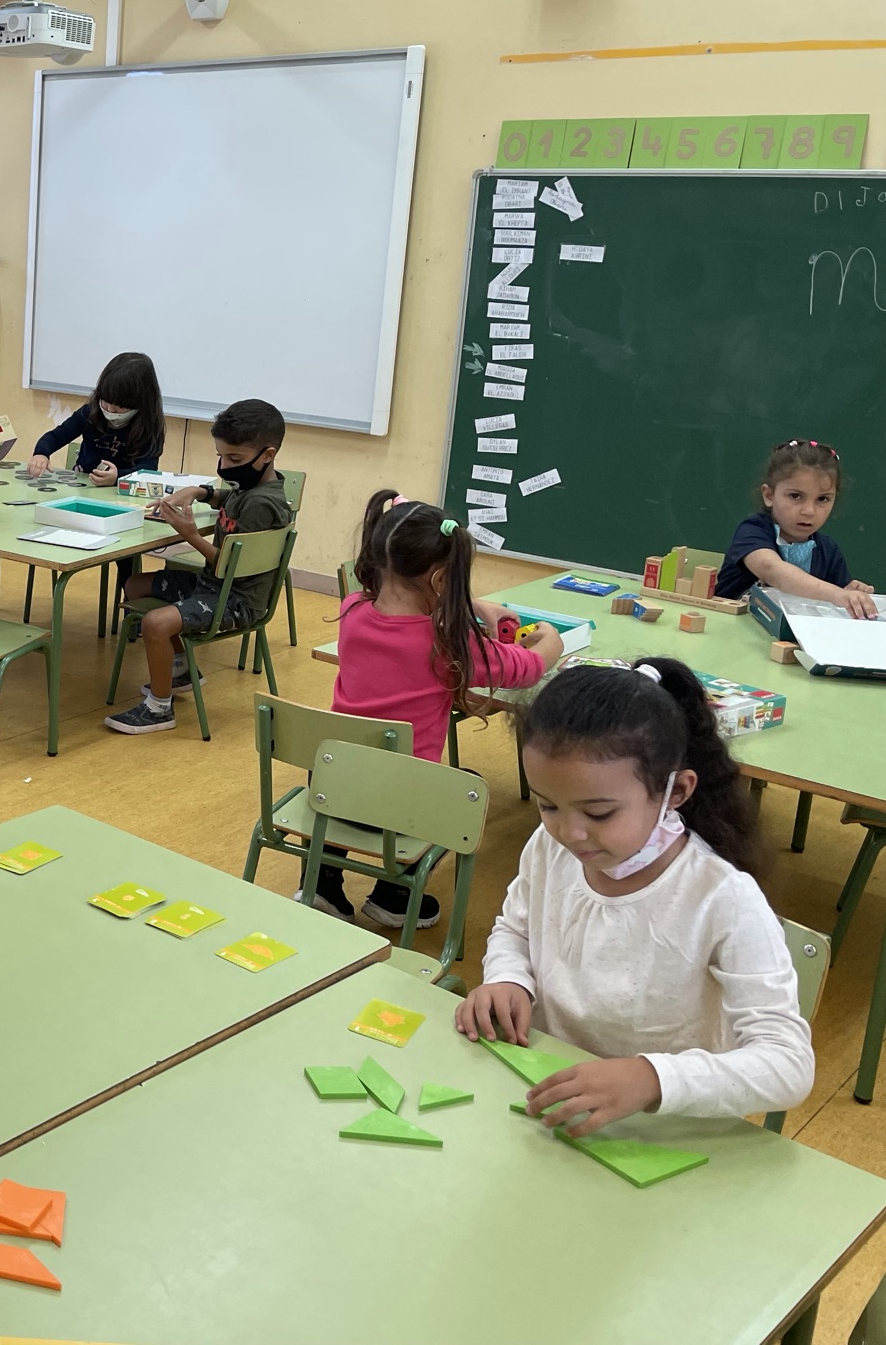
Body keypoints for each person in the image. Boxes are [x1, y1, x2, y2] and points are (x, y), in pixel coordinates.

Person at [456, 657, 813, 1133]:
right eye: (547, 805)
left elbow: (788, 1064)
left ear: (675, 792)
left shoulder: (723, 899)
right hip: (551, 1101)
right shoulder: (549, 846)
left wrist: (651, 1079)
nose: (570, 832)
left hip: (665, 1127)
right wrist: (507, 978)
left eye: (599, 813)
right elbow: (515, 926)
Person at [323, 491, 563, 926]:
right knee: (470, 786)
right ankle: (395, 896)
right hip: (401, 801)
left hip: (333, 782)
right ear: (440, 580)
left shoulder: (352, 611)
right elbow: (527, 669)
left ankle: (322, 885)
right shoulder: (448, 644)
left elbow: (401, 626)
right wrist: (551, 639)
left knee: (357, 760)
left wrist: (472, 606)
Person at [104, 398, 290, 735]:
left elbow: (231, 567)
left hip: (236, 600)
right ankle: (180, 671)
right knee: (135, 586)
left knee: (155, 623)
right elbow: (229, 498)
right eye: (221, 456)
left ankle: (159, 709)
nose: (225, 466)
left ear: (267, 455)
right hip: (214, 585)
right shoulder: (256, 488)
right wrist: (199, 492)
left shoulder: (263, 504)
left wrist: (189, 534)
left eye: (234, 459)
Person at [713, 439, 876, 618]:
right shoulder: (753, 530)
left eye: (822, 499)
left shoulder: (829, 551)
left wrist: (851, 594)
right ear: (769, 495)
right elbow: (772, 570)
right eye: (795, 496)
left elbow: (834, 604)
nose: (809, 511)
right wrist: (838, 594)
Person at [27, 351, 165, 486]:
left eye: (119, 407)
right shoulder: (91, 412)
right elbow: (56, 436)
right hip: (82, 486)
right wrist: (41, 453)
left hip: (120, 492)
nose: (110, 410)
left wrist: (117, 477)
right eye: (105, 401)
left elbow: (148, 469)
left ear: (140, 403)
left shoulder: (150, 425)